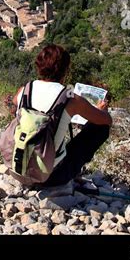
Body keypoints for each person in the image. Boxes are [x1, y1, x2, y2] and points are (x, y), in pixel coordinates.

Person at [9, 43, 111, 187]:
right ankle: (64, 172)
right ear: (65, 70)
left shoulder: (24, 89)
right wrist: (102, 109)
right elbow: (106, 120)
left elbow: (13, 105)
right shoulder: (69, 98)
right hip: (51, 177)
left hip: (18, 169)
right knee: (101, 128)